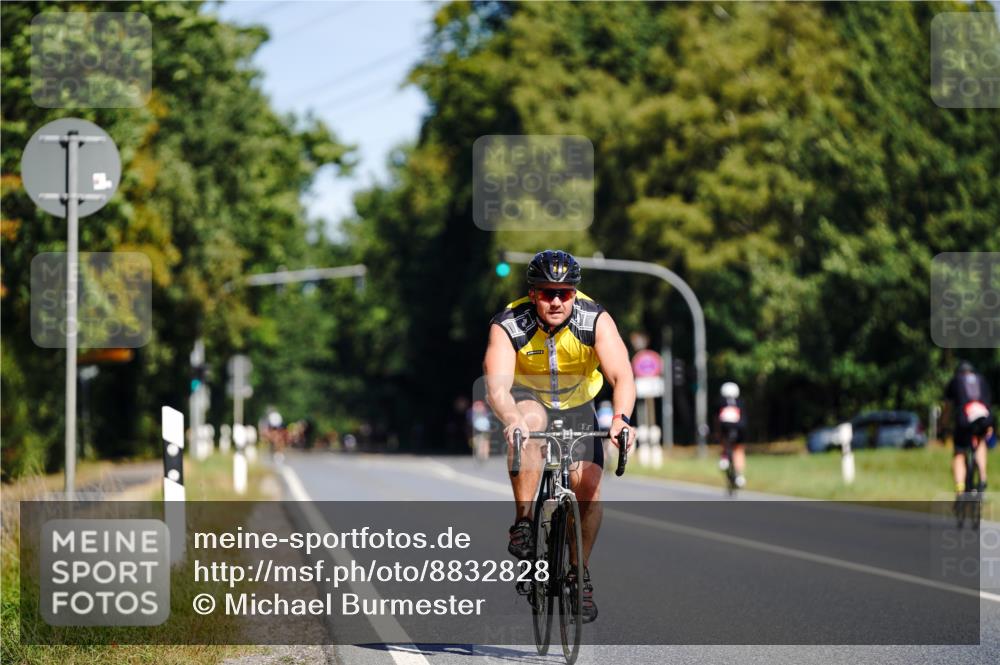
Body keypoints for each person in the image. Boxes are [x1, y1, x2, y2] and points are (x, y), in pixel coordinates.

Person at [483, 249, 636, 624]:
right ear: (533, 293)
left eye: (564, 293)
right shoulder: (509, 323)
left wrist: (621, 418)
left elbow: (622, 375)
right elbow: (497, 387)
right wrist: (511, 418)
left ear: (574, 294)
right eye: (547, 292)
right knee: (530, 423)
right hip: (527, 398)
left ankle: (577, 573)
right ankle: (523, 522)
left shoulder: (594, 319)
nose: (555, 301)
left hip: (578, 402)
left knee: (588, 486)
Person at [944, 361, 993, 496]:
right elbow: (988, 404)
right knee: (981, 441)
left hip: (964, 419)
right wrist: (989, 427)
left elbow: (947, 407)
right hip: (984, 417)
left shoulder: (956, 380)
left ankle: (960, 489)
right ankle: (983, 477)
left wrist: (944, 424)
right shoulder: (982, 380)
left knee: (959, 454)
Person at [715, 381, 748, 488]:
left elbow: (716, 420)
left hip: (727, 431)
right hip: (739, 431)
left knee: (725, 442)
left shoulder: (720, 402)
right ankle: (739, 475)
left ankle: (724, 457)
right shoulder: (741, 402)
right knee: (739, 450)